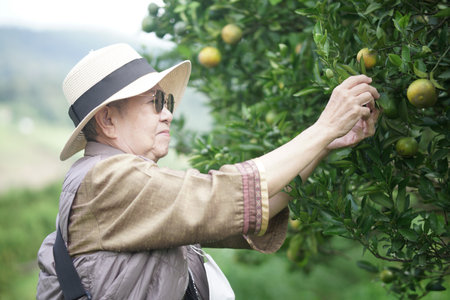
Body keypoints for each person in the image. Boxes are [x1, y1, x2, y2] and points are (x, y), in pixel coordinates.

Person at [36, 43, 379, 300]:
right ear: (108, 119)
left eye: (166, 102)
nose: (168, 114)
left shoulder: (126, 184)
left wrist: (324, 144)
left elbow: (255, 209)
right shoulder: (107, 179)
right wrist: (323, 127)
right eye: (155, 102)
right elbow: (227, 194)